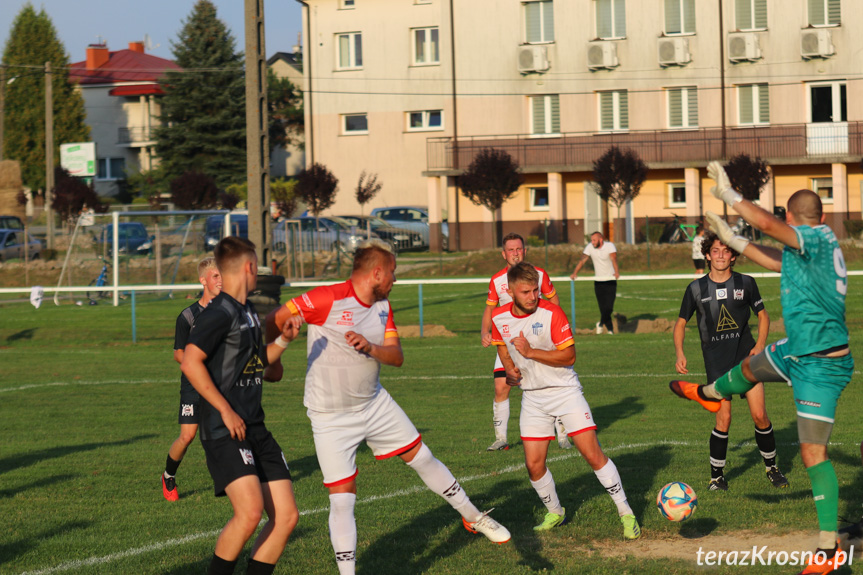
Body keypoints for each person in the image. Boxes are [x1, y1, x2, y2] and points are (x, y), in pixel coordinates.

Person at [266, 239, 510, 575]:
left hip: (375, 403)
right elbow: (273, 318)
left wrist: (370, 348)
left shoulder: (383, 306)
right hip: (330, 416)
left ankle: (473, 517)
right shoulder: (327, 297)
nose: (395, 280)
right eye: (393, 273)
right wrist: (275, 363)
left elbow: (396, 357)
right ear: (376, 273)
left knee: (423, 457)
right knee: (342, 499)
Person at [670, 161, 853, 575]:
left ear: (796, 220)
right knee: (750, 367)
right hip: (798, 350)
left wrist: (731, 196)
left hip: (822, 366)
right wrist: (733, 237)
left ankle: (828, 551)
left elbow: (768, 226)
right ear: (821, 216)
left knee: (812, 453)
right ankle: (709, 393)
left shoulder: (816, 240)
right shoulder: (811, 250)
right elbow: (774, 260)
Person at [492, 262, 641, 538]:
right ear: (511, 291)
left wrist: (532, 352)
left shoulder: (552, 313)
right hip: (532, 398)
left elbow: (569, 357)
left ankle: (626, 512)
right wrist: (511, 371)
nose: (533, 296)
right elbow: (503, 346)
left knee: (591, 454)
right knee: (533, 465)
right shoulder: (499, 316)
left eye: (536, 290)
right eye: (525, 291)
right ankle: (555, 512)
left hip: (565, 392)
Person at [181, 237, 301, 575]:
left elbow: (260, 366)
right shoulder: (218, 312)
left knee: (287, 517)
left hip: (254, 426)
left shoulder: (248, 311)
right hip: (225, 429)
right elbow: (191, 362)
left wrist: (284, 341)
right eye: (257, 264)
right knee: (249, 513)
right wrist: (225, 409)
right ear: (249, 267)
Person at [673, 232, 788, 492]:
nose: (721, 255)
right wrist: (680, 352)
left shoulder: (746, 283)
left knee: (760, 415)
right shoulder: (695, 289)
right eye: (716, 251)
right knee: (723, 420)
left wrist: (759, 346)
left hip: (747, 361)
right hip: (716, 364)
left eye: (726, 251)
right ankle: (717, 477)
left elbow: (763, 315)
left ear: (733, 255)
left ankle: (772, 468)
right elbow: (680, 323)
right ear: (707, 255)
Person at [481, 232, 570, 451]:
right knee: (501, 386)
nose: (515, 253)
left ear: (525, 251)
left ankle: (562, 435)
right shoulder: (497, 280)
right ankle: (501, 438)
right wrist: (485, 330)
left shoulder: (539, 274)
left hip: (538, 341)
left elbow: (553, 300)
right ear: (504, 254)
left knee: (551, 385)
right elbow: (490, 309)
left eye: (519, 249)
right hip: (508, 345)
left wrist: (555, 325)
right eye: (511, 250)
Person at [162, 257, 223, 501]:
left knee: (224, 432)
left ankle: (233, 479)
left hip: (219, 383)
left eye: (222, 276)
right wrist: (197, 363)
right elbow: (178, 353)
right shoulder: (187, 316)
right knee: (187, 436)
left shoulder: (227, 312)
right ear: (203, 280)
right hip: (193, 384)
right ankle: (168, 475)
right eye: (215, 276)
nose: (221, 280)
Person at [570, 232, 619, 335]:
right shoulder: (590, 247)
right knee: (603, 308)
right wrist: (575, 273)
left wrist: (616, 271)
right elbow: (582, 261)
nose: (592, 242)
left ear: (600, 240)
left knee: (609, 307)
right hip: (598, 282)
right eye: (591, 240)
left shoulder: (610, 246)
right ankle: (610, 330)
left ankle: (601, 324)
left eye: (594, 240)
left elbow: (613, 259)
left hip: (610, 280)